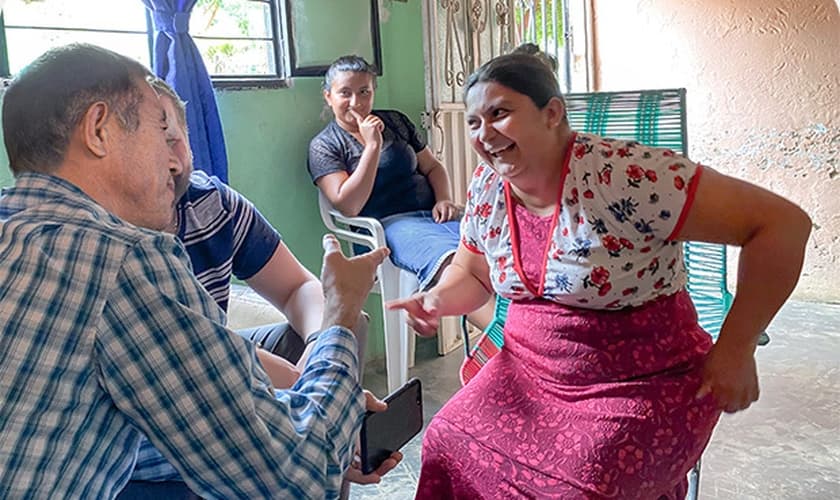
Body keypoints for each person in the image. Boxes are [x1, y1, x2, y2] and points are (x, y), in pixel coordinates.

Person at [389, 52, 811, 498]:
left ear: (552, 113)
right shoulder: (487, 186)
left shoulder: (629, 177)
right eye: (474, 122)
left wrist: (736, 347)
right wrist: (435, 299)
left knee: (579, 488)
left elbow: (782, 225)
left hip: (641, 383)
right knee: (446, 443)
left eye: (500, 113)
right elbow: (472, 273)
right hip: (530, 374)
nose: (484, 134)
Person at [0, 43, 388, 498]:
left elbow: (77, 418)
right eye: (157, 130)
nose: (173, 158)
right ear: (99, 131)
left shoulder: (20, 230)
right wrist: (339, 316)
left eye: (176, 133)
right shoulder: (121, 257)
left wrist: (299, 401)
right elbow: (294, 479)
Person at [122, 79, 400, 495]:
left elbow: (295, 288)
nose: (168, 161)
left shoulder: (210, 203)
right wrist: (311, 392)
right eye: (147, 142)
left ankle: (329, 465)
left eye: (173, 139)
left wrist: (318, 346)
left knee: (345, 326)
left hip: (215, 359)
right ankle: (318, 455)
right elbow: (197, 355)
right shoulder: (108, 245)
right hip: (167, 387)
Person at [308, 55, 493, 327]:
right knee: (453, 260)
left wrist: (444, 199)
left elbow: (433, 168)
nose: (356, 102)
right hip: (385, 229)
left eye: (364, 92)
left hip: (433, 216)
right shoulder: (324, 145)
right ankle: (508, 344)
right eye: (344, 93)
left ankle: (522, 332)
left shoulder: (394, 121)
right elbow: (348, 206)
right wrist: (372, 147)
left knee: (494, 241)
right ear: (328, 96)